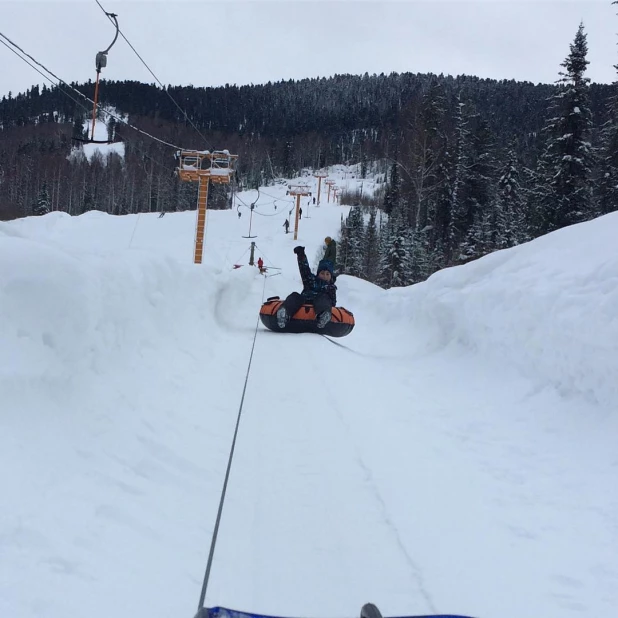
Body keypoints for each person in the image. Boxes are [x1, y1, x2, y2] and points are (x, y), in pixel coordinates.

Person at [277, 246, 336, 330]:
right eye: (322, 273)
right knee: (295, 296)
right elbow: (304, 270)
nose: (324, 276)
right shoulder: (311, 280)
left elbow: (332, 303)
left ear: (331, 276)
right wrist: (301, 255)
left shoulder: (331, 288)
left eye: (327, 274)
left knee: (324, 298)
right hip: (303, 301)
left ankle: (323, 316)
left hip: (319, 305)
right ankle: (284, 312)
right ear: (318, 273)